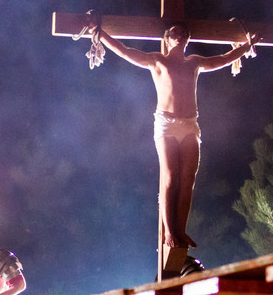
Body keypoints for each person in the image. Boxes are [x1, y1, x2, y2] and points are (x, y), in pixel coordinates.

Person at [93, 22, 260, 268]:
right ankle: (170, 231)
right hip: (166, 125)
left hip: (190, 125)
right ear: (168, 39)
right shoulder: (157, 60)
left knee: (188, 179)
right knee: (171, 177)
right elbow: (124, 51)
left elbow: (223, 59)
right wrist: (101, 33)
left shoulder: (193, 62)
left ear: (187, 39)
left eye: (183, 33)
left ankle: (181, 231)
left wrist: (248, 45)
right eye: (174, 33)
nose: (179, 36)